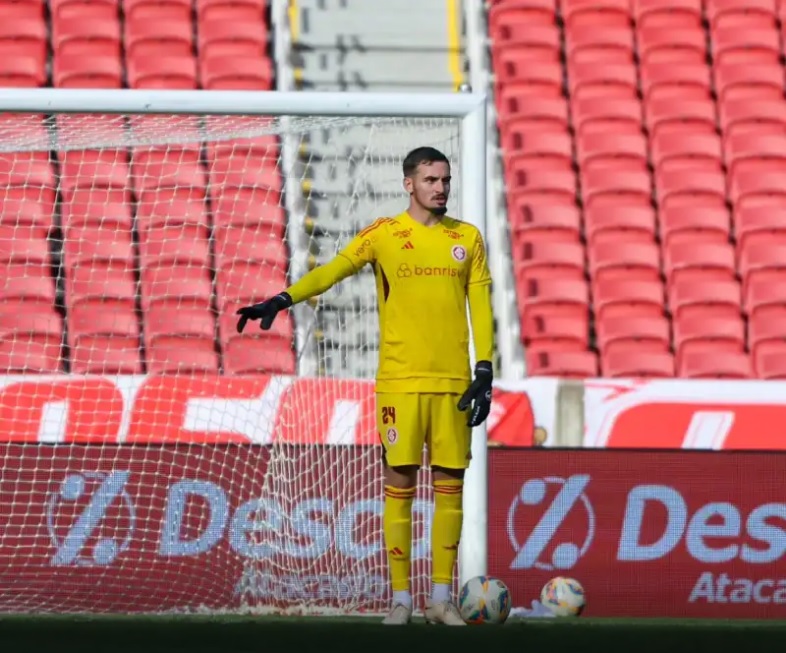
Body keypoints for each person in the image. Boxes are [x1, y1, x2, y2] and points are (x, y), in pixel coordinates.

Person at [236, 146, 494, 626]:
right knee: (399, 484)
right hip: (399, 380)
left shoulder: (468, 239)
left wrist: (484, 369)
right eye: (430, 179)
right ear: (408, 184)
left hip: (453, 381)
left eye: (445, 179)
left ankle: (440, 599)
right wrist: (285, 297)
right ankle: (400, 599)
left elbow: (480, 306)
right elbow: (333, 271)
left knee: (450, 486)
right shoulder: (384, 235)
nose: (440, 187)